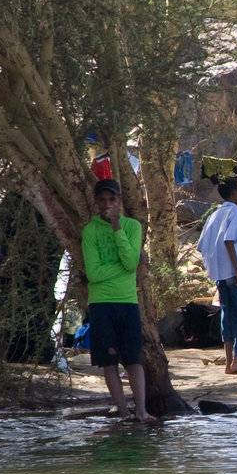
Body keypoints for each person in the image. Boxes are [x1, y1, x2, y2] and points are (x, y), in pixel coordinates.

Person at [80, 179, 153, 422]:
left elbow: (131, 262)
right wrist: (122, 269)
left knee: (133, 359)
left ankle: (141, 410)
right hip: (101, 303)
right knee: (108, 362)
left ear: (119, 201)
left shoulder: (132, 227)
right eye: (102, 200)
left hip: (127, 301)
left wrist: (116, 228)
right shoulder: (90, 231)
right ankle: (123, 412)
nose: (107, 204)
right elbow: (94, 273)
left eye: (112, 199)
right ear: (96, 203)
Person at [198, 175, 237, 374]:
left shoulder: (214, 214)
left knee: (227, 315)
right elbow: (229, 241)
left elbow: (202, 245)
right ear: (233, 193)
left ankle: (229, 361)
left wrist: (216, 268)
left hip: (220, 274)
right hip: (235, 272)